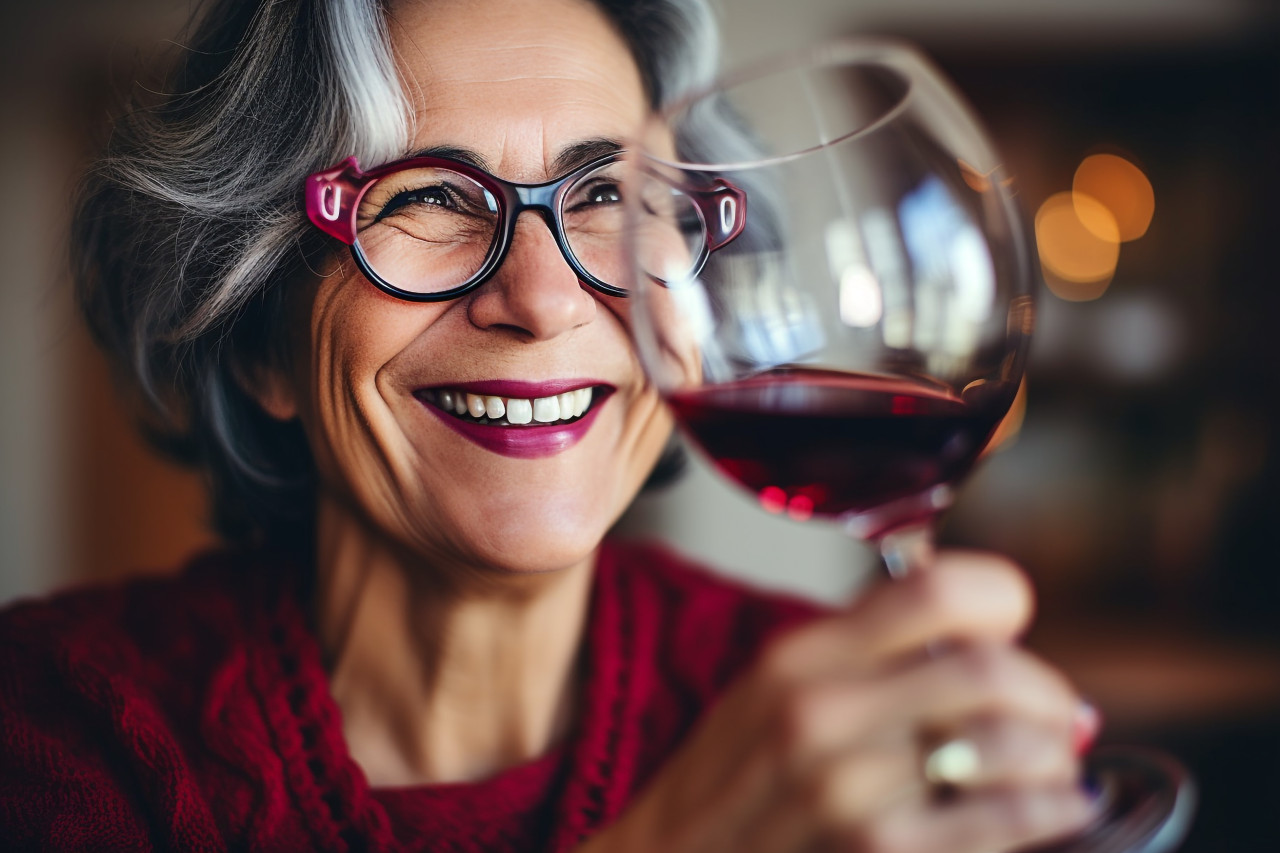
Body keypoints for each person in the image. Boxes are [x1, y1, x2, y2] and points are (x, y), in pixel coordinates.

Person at [0, 0, 1098, 850]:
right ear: (258, 339)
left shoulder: (799, 703)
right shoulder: (60, 728)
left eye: (607, 195)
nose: (542, 297)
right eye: (424, 195)